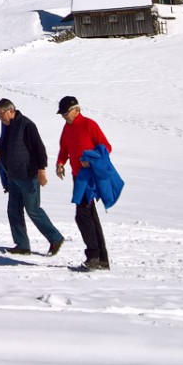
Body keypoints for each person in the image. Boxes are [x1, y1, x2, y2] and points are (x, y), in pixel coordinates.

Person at [0, 98, 65, 257]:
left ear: (10, 111)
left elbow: (39, 149)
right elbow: (6, 145)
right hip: (13, 176)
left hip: (28, 176)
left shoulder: (26, 125)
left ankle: (55, 238)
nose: (0, 117)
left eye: (1, 114)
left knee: (33, 210)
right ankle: (22, 245)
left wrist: (41, 170)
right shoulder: (7, 126)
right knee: (13, 210)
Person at [54, 95, 113, 271]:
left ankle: (93, 256)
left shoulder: (89, 124)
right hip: (77, 177)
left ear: (76, 110)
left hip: (89, 176)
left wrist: (91, 159)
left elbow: (106, 147)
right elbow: (65, 148)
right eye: (62, 114)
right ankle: (102, 259)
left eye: (65, 113)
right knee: (90, 216)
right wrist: (60, 163)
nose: (64, 117)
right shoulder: (67, 128)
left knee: (82, 215)